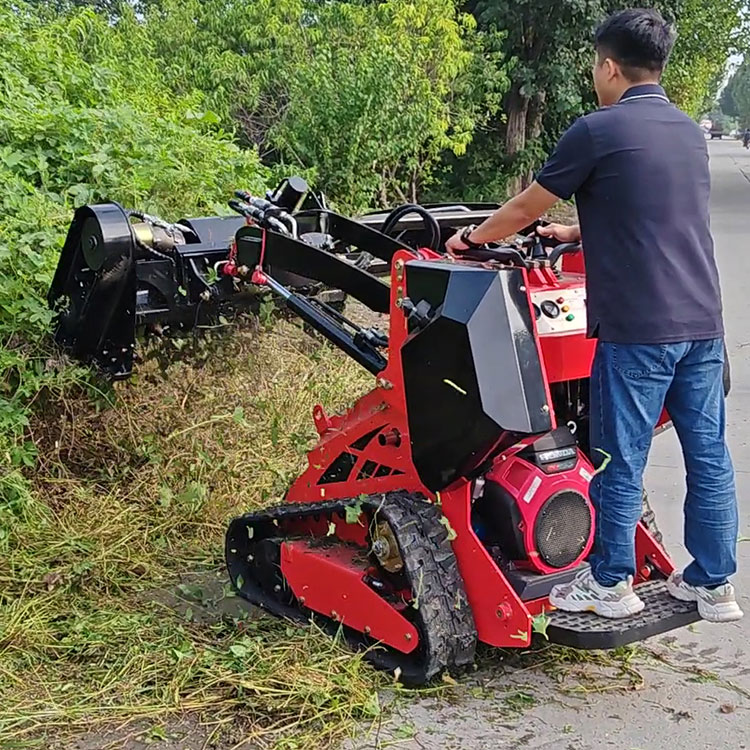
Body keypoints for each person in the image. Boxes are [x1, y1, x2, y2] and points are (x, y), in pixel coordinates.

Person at [446, 8, 742, 622]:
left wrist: (471, 241)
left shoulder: (597, 129)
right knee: (708, 453)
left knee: (617, 454)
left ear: (608, 66)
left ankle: (609, 583)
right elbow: (653, 217)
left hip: (639, 330)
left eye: (593, 65)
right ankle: (714, 584)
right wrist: (576, 231)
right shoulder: (689, 131)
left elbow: (524, 207)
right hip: (702, 324)